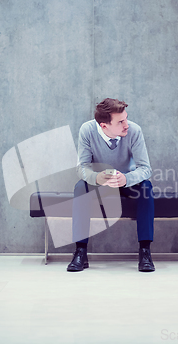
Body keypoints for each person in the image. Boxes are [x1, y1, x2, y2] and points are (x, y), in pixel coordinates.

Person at [67, 98, 155, 272]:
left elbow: (146, 168)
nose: (126, 125)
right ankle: (80, 251)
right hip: (100, 181)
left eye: (126, 118)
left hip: (126, 180)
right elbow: (82, 168)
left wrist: (127, 179)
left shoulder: (134, 131)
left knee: (146, 188)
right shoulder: (87, 130)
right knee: (80, 187)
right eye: (121, 122)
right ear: (104, 126)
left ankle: (145, 251)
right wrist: (97, 178)